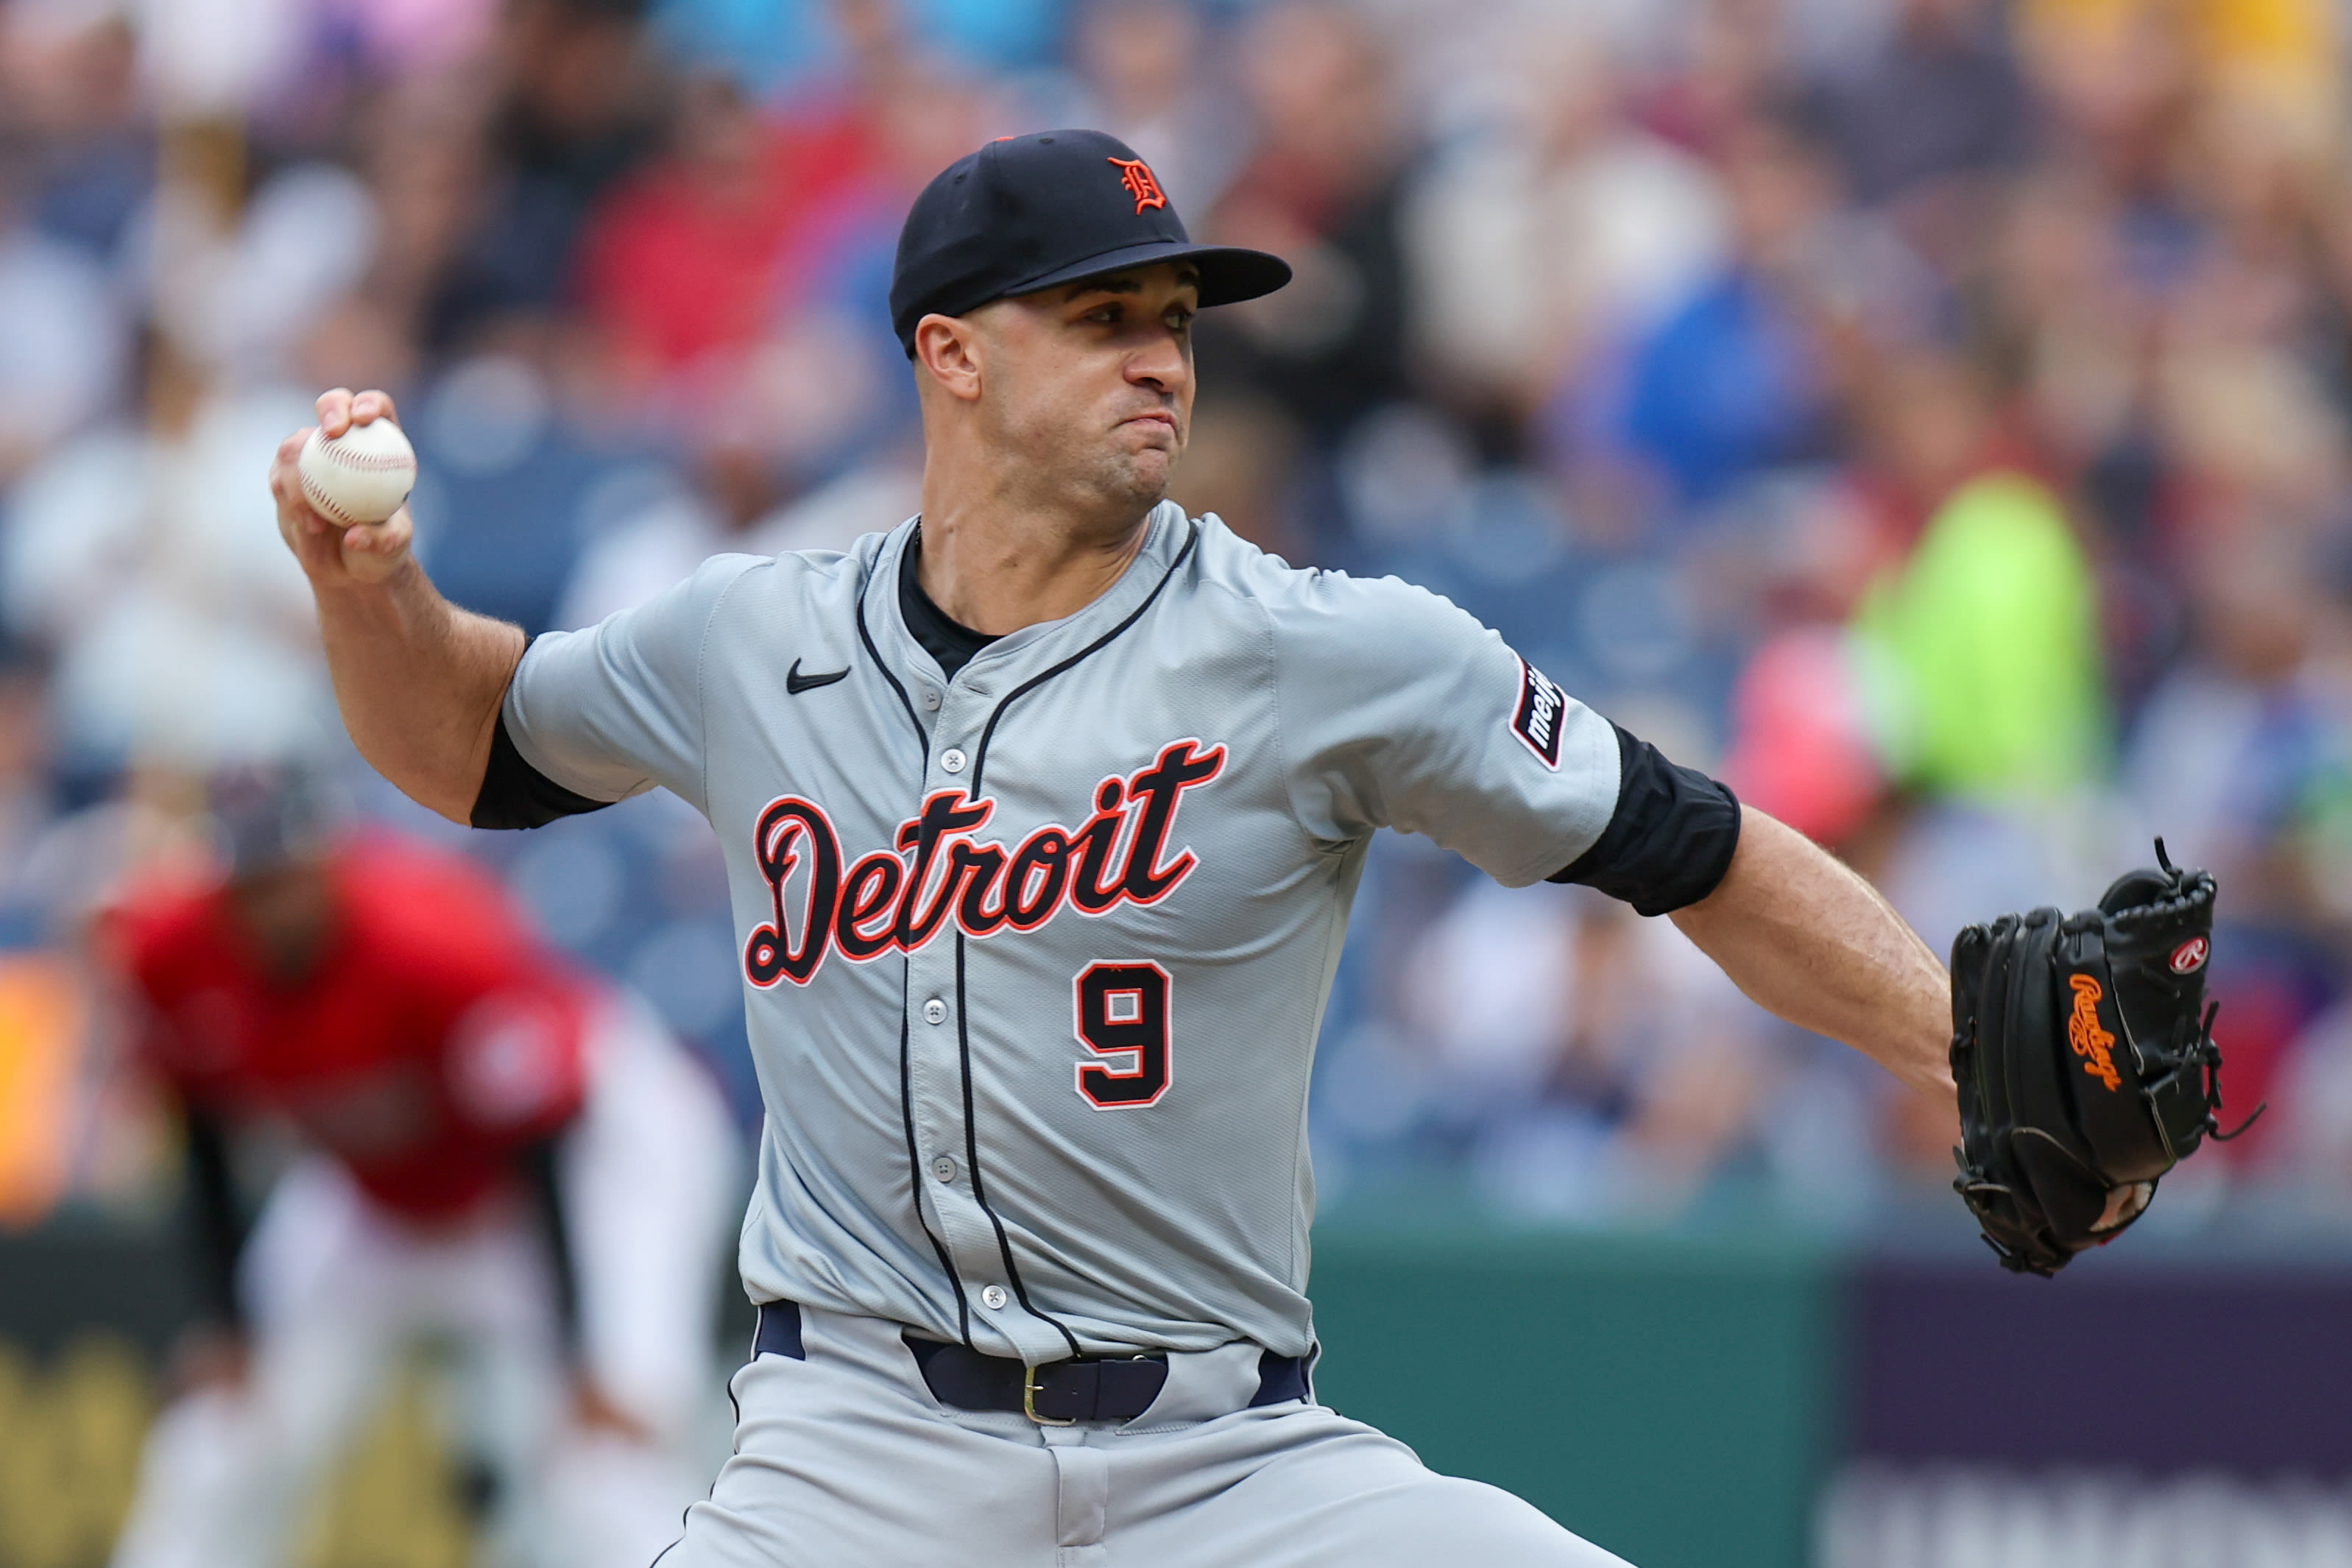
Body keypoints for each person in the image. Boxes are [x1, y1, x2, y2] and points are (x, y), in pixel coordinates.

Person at [266, 129, 1954, 1566]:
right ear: (953, 355)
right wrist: (376, 595)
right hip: (854, 1454)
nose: (1163, 355)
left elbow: (1698, 847)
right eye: (1101, 317)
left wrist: (1961, 1050)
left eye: (1173, 319)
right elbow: (470, 743)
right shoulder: (749, 636)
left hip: (1229, 1465)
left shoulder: (1334, 650)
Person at [103, 768, 737, 1568]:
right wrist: (232, 1330)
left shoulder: (433, 939)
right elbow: (199, 1133)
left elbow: (537, 1137)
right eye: (250, 880)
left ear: (330, 858)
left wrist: (583, 1360)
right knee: (225, 1433)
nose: (272, 903)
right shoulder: (176, 952)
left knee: (603, 1459)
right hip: (385, 1186)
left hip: (595, 1156)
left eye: (286, 873)